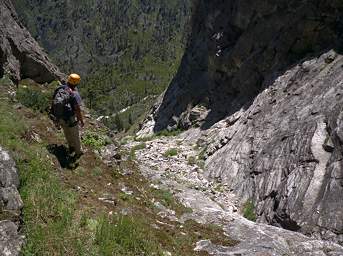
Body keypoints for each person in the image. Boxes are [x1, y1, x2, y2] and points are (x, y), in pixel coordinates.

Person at [52, 73, 84, 159]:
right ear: (76, 83)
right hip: (70, 117)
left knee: (66, 132)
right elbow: (77, 109)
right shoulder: (74, 93)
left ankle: (71, 147)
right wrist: (81, 120)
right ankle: (78, 152)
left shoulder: (60, 88)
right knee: (75, 135)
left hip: (61, 116)